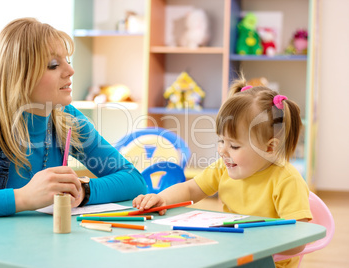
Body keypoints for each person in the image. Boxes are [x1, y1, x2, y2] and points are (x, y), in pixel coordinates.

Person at [0, 18, 146, 220]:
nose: (70, 71)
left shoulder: (67, 118)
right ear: (20, 75)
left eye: (67, 61)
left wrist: (82, 191)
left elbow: (133, 179)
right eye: (53, 65)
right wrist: (23, 198)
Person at [133, 76, 312, 268]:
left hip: (267, 261)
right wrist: (163, 199)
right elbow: (191, 189)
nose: (222, 151)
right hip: (233, 252)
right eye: (221, 141)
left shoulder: (287, 180)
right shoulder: (223, 167)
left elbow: (298, 241)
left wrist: (254, 242)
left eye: (234, 145)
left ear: (269, 148)